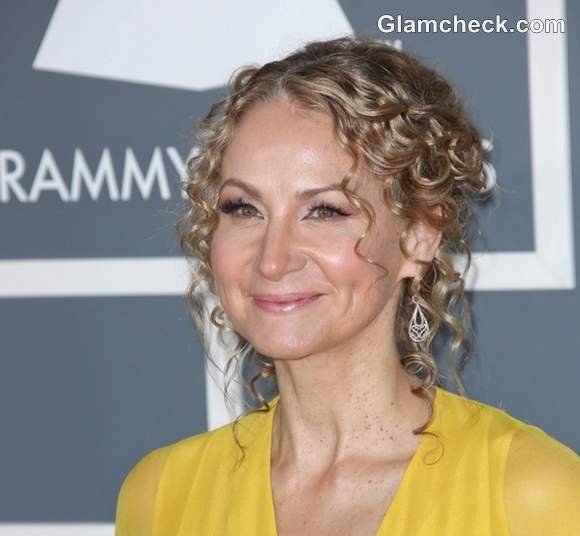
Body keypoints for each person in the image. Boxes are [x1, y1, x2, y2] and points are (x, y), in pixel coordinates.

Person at [115, 35, 580, 535]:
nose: (272, 261)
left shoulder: (532, 492)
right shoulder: (163, 493)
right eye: (244, 208)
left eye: (325, 211)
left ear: (418, 235)